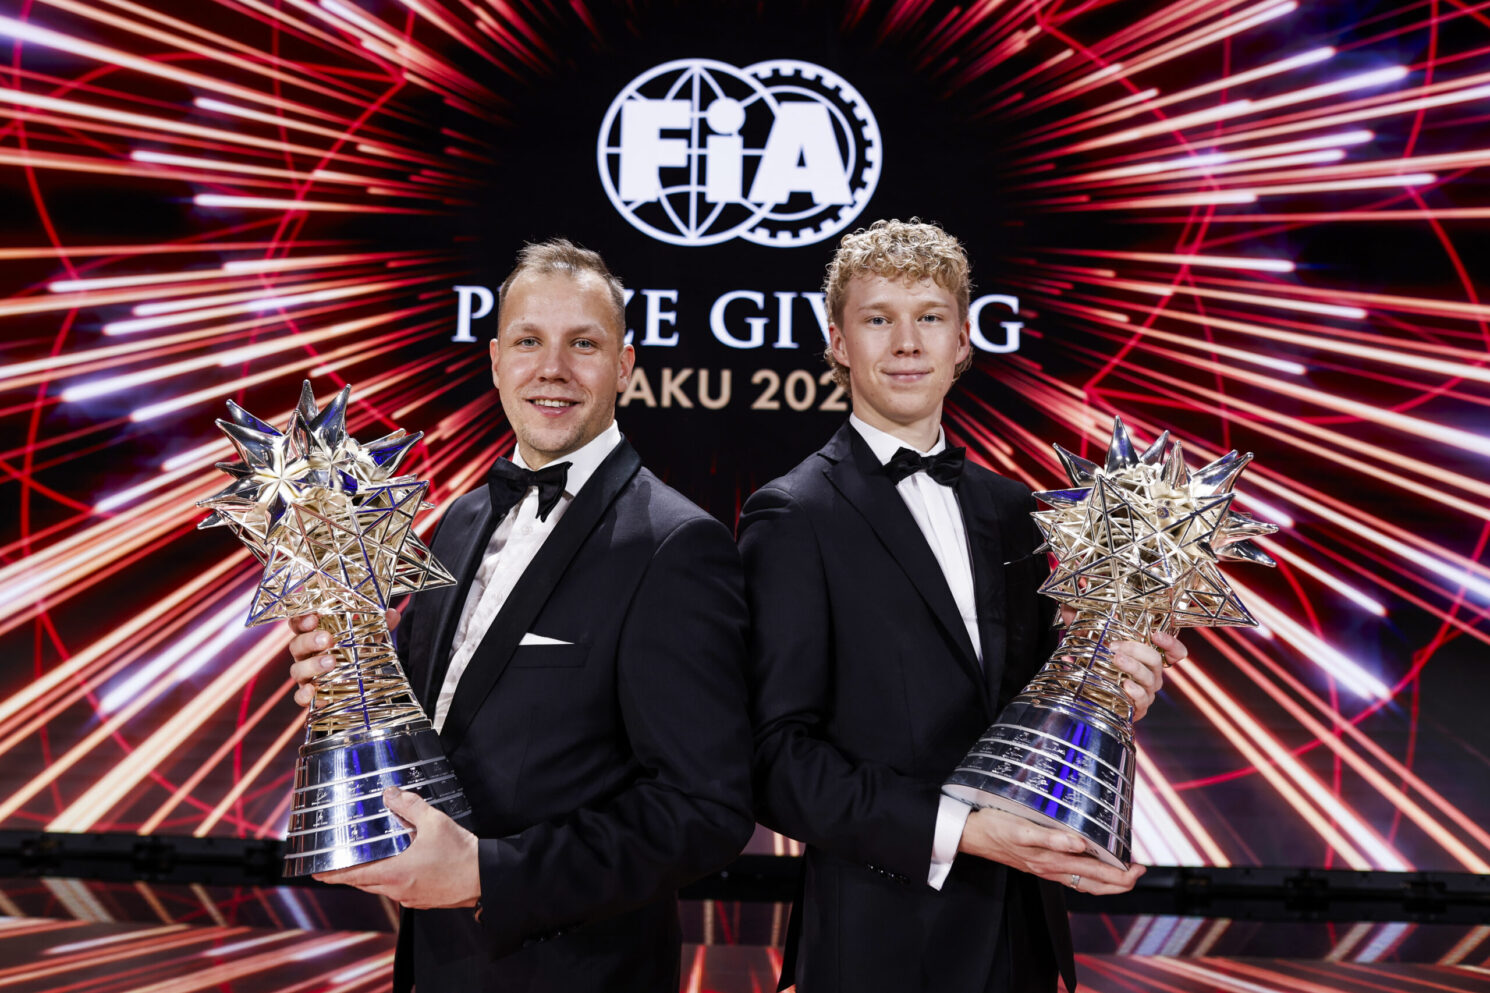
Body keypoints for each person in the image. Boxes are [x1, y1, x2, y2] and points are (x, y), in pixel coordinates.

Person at [285, 239, 754, 992]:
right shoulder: (460, 522)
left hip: (580, 973)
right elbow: (439, 729)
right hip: (436, 965)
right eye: (529, 341)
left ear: (625, 365)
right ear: (498, 361)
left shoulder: (676, 545)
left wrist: (487, 874)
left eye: (584, 344)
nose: (552, 368)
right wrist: (351, 676)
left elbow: (705, 810)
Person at [739, 219, 1186, 993]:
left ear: (962, 341)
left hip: (1020, 931)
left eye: (929, 317)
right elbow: (776, 761)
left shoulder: (1014, 509)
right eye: (878, 319)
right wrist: (967, 833)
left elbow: (1034, 709)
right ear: (839, 341)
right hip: (878, 942)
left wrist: (1109, 685)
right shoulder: (793, 514)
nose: (906, 343)